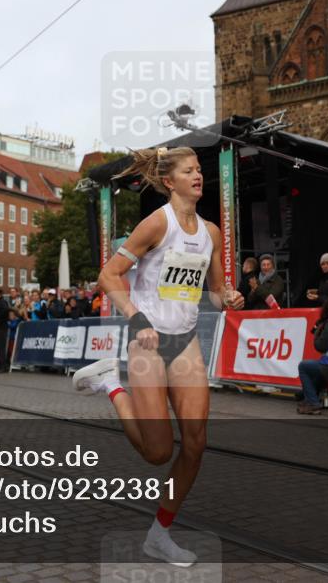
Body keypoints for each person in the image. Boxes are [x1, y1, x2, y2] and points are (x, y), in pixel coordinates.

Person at [71, 146, 244, 567]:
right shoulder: (156, 224)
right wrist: (136, 319)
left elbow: (217, 294)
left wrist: (230, 297)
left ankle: (159, 534)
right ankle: (110, 384)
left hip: (184, 341)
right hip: (147, 342)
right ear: (170, 182)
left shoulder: (211, 233)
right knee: (157, 452)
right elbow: (108, 275)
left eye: (200, 169)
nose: (199, 176)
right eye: (190, 171)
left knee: (197, 443)